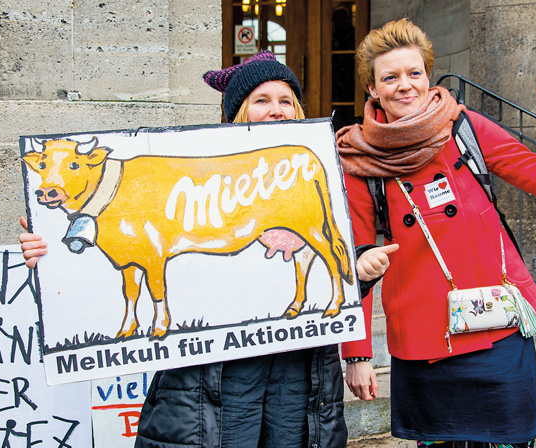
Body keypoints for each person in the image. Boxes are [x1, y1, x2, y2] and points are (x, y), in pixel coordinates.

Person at [19, 51, 348, 448]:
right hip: (212, 376)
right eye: (262, 101)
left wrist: (364, 268)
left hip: (298, 371)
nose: (277, 111)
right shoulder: (192, 165)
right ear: (237, 113)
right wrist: (48, 251)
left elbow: (342, 248)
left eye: (286, 101)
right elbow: (115, 253)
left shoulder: (317, 167)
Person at [337, 19, 536, 448]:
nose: (405, 86)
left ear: (428, 75)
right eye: (390, 77)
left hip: (496, 332)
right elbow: (357, 268)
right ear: (372, 89)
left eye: (414, 73)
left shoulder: (464, 128)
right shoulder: (360, 160)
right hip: (424, 344)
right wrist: (358, 354)